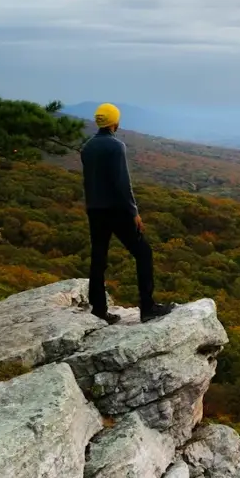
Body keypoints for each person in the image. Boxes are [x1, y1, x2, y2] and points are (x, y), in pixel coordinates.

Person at [80, 103, 175, 324]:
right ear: (115, 122)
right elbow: (123, 184)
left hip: (94, 210)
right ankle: (147, 307)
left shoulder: (87, 147)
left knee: (98, 258)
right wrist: (134, 212)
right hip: (117, 210)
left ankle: (99, 310)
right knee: (143, 253)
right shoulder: (116, 147)